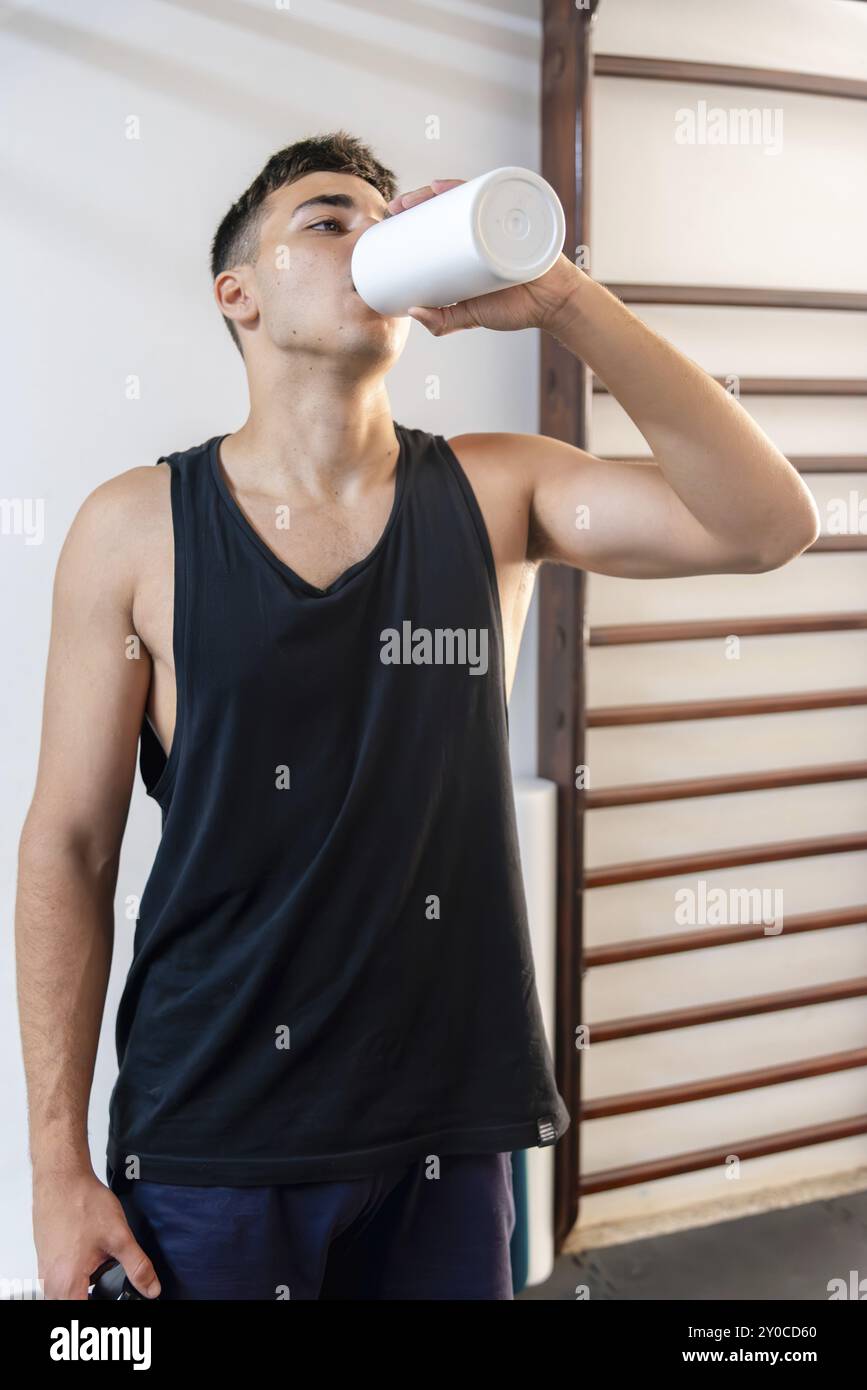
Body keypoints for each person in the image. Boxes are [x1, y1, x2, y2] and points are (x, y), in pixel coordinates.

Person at [16, 130, 820, 1302]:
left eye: (387, 224)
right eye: (329, 221)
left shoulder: (501, 492)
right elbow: (70, 848)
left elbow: (768, 523)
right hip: (216, 1139)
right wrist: (53, 1168)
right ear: (234, 294)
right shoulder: (134, 527)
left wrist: (564, 299)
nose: (370, 241)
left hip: (448, 1130)